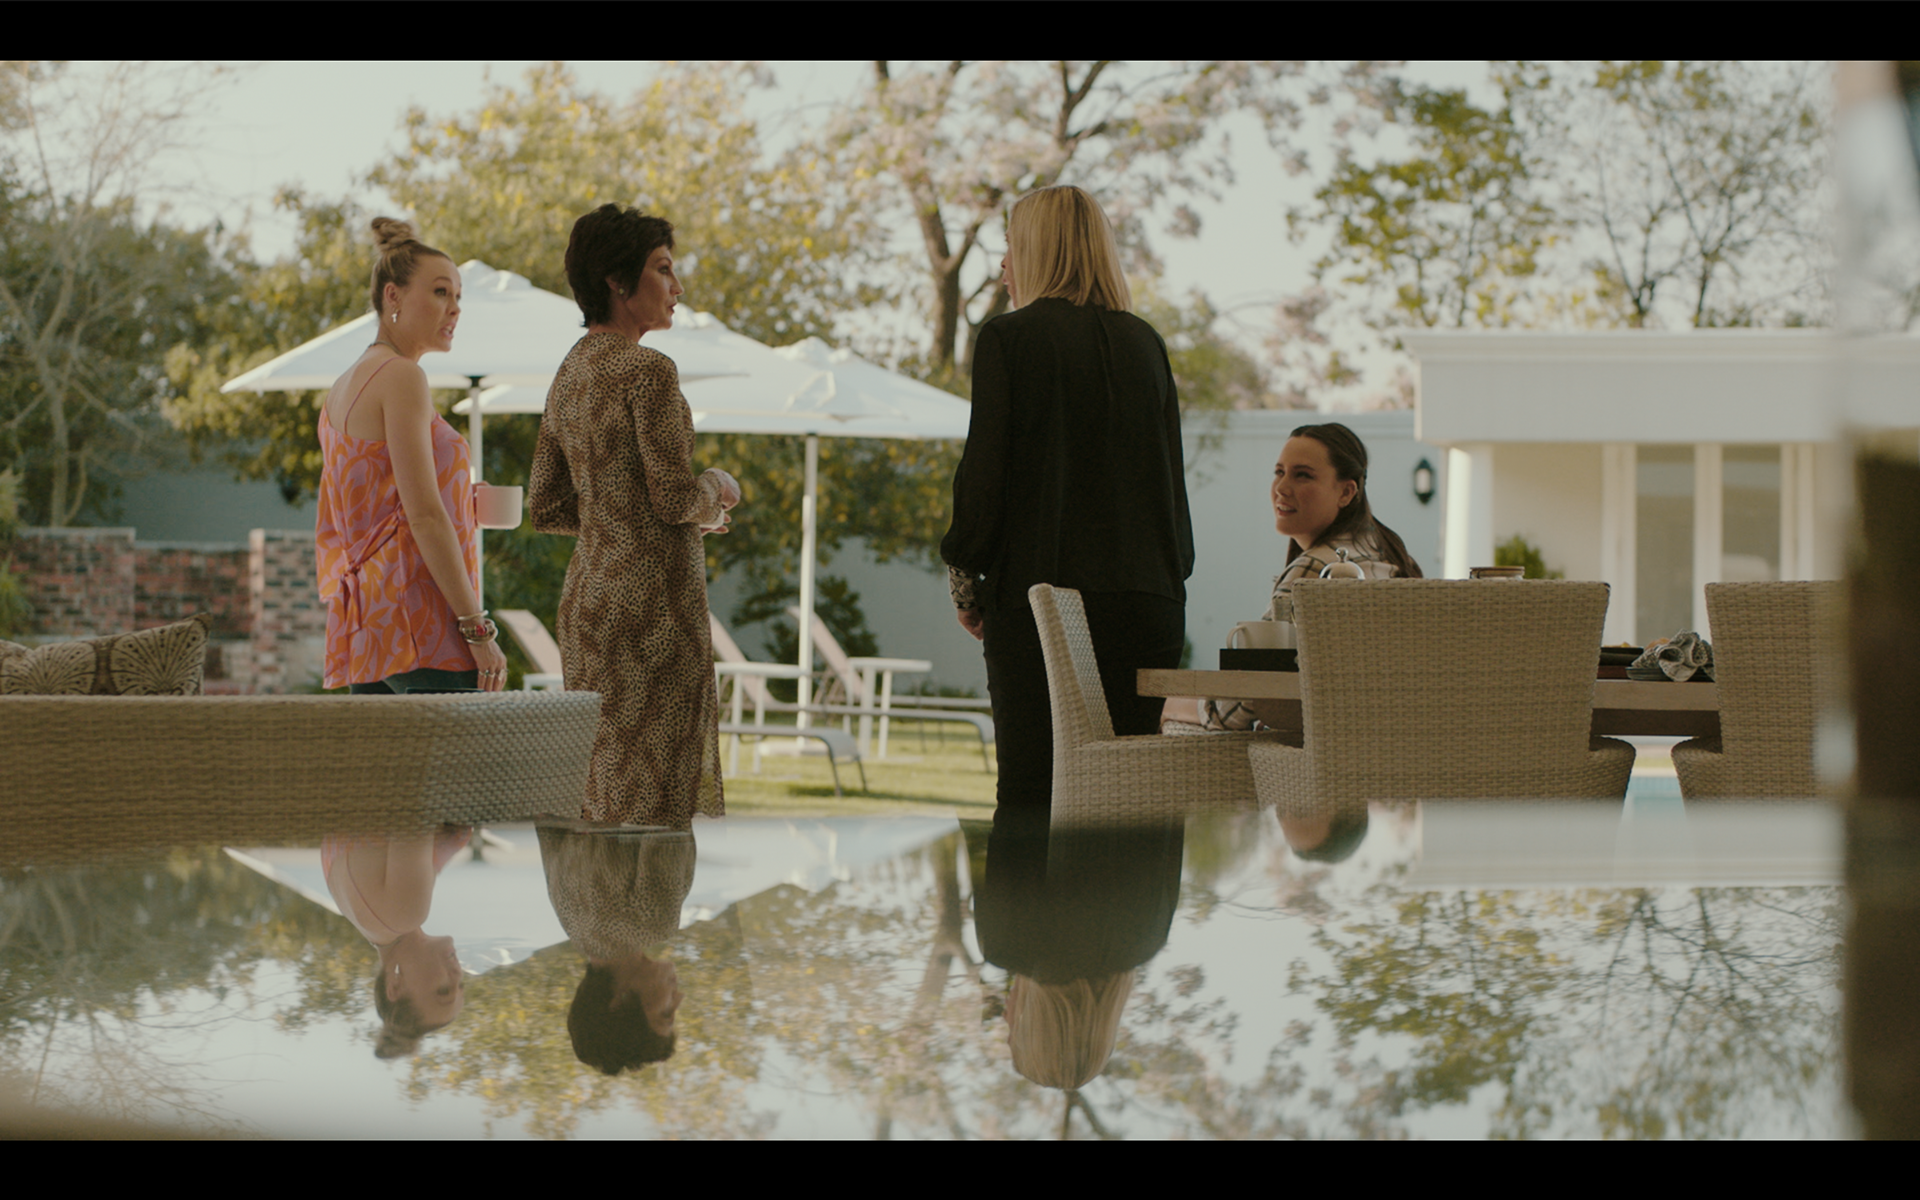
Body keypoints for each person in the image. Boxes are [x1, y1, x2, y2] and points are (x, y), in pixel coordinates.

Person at [941, 185, 1193, 810]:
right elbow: (1171, 493)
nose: (1004, 265)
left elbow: (984, 479)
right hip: (1149, 604)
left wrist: (966, 583)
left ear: (1038, 250)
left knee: (1032, 798)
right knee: (1125, 806)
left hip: (1044, 604)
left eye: (1010, 246)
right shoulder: (1146, 344)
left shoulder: (1009, 340)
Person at [529, 205, 741, 826]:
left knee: (602, 797)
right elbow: (674, 498)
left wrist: (621, 520)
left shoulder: (569, 373)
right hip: (653, 611)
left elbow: (546, 506)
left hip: (589, 603)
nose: (678, 287)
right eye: (663, 269)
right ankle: (651, 896)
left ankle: (597, 896)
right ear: (618, 281)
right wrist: (718, 487)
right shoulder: (649, 370)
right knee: (656, 806)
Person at [315, 218, 507, 694]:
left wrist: (461, 498)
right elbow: (424, 516)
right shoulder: (402, 376)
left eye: (458, 296)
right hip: (421, 619)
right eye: (441, 292)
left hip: (372, 624)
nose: (454, 308)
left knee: (386, 749)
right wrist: (476, 628)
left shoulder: (341, 387)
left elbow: (376, 508)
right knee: (463, 747)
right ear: (393, 296)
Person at [1163, 421, 1424, 733]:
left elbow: (1238, 706)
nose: (1282, 488)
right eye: (1279, 472)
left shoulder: (1318, 570)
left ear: (1346, 492)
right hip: (1384, 737)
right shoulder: (1387, 557)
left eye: (1303, 475)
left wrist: (1168, 707)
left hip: (1321, 751)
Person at [537, 822, 694, 1074]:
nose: (679, 998)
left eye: (665, 1012)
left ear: (620, 1003)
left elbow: (671, 809)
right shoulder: (570, 922)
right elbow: (546, 818)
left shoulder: (654, 920)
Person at [321, 825, 473, 1058]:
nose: (457, 975)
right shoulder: (367, 918)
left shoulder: (404, 914)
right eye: (460, 985)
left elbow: (416, 813)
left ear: (394, 986)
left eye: (443, 990)